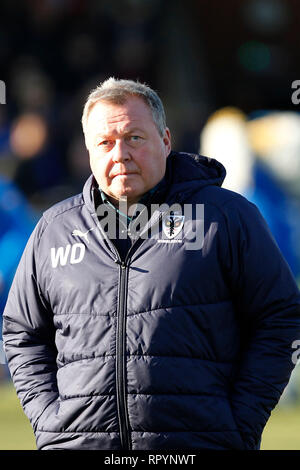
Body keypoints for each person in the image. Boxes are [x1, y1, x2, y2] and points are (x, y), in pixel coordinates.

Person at [2, 78, 300, 451]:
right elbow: (22, 333)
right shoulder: (54, 229)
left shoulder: (226, 218)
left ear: (166, 141)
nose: (120, 154)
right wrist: (49, 422)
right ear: (88, 151)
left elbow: (281, 319)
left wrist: (240, 423)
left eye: (135, 138)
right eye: (105, 143)